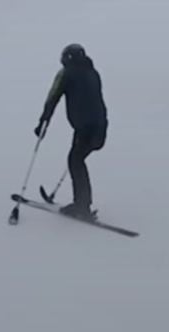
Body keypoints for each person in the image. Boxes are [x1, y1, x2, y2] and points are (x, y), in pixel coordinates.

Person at [34, 43, 108, 219]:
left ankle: (82, 206)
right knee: (77, 159)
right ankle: (83, 203)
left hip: (85, 128)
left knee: (75, 160)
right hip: (100, 127)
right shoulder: (93, 72)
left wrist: (43, 122)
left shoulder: (67, 74)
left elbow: (53, 97)